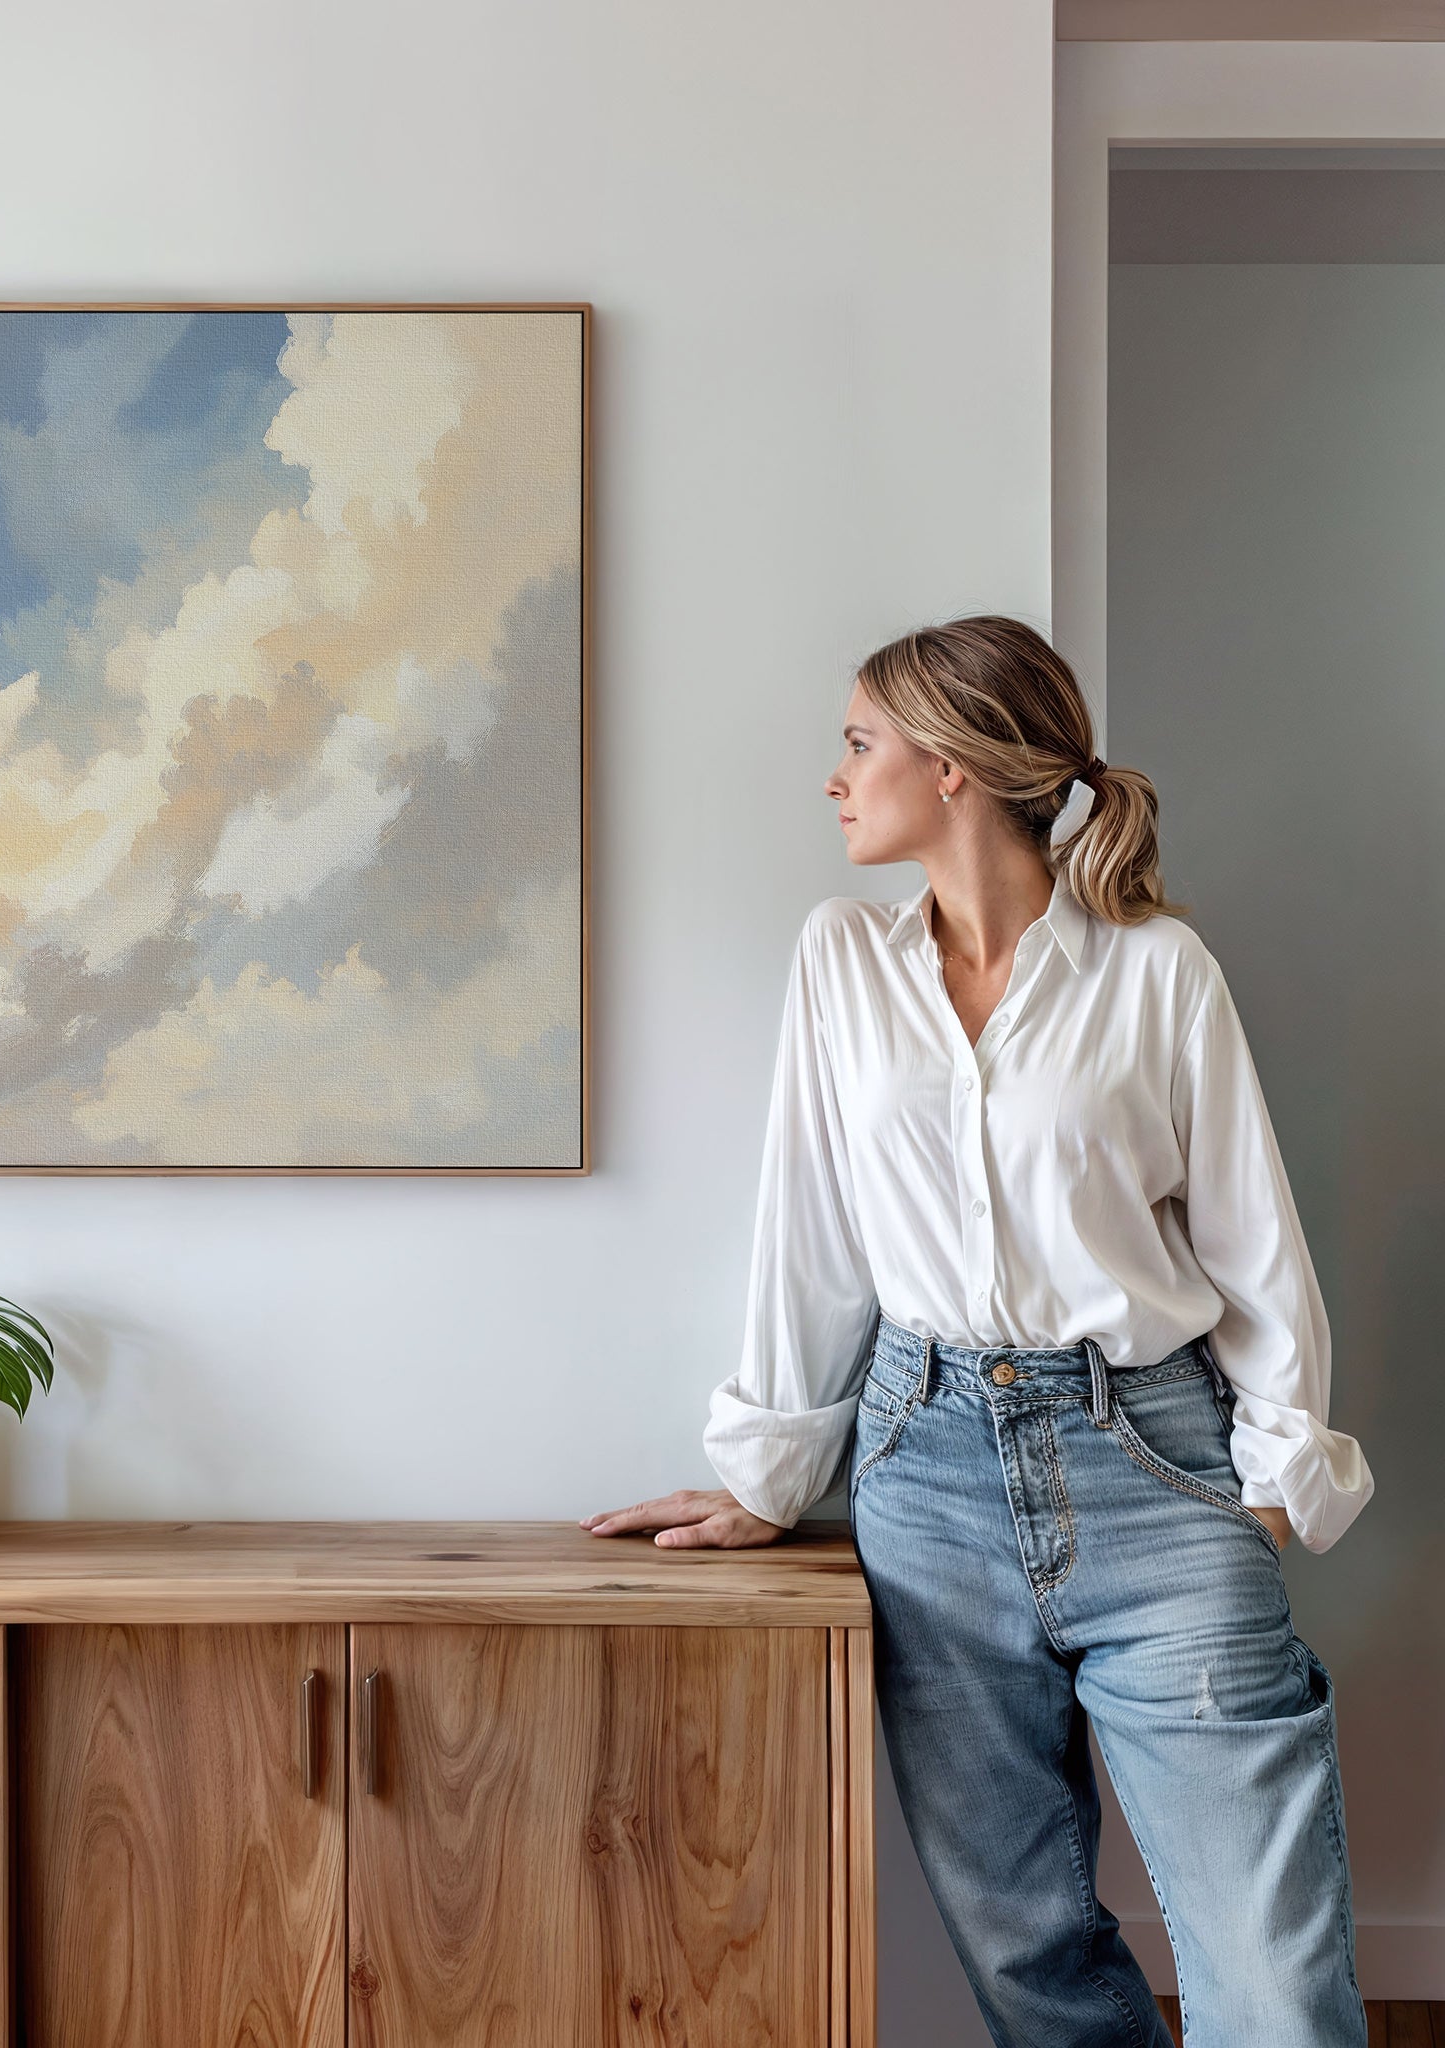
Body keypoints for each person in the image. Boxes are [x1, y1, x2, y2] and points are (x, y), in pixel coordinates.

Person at [581, 616, 1374, 2046]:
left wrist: (1269, 1486)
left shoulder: (1157, 971)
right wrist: (771, 1472)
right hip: (927, 1476)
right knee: (1027, 1955)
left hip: (1155, 1462)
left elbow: (1254, 1241)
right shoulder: (841, 960)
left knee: (1271, 1975)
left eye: (859, 743)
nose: (835, 778)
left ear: (951, 767)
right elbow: (811, 1232)